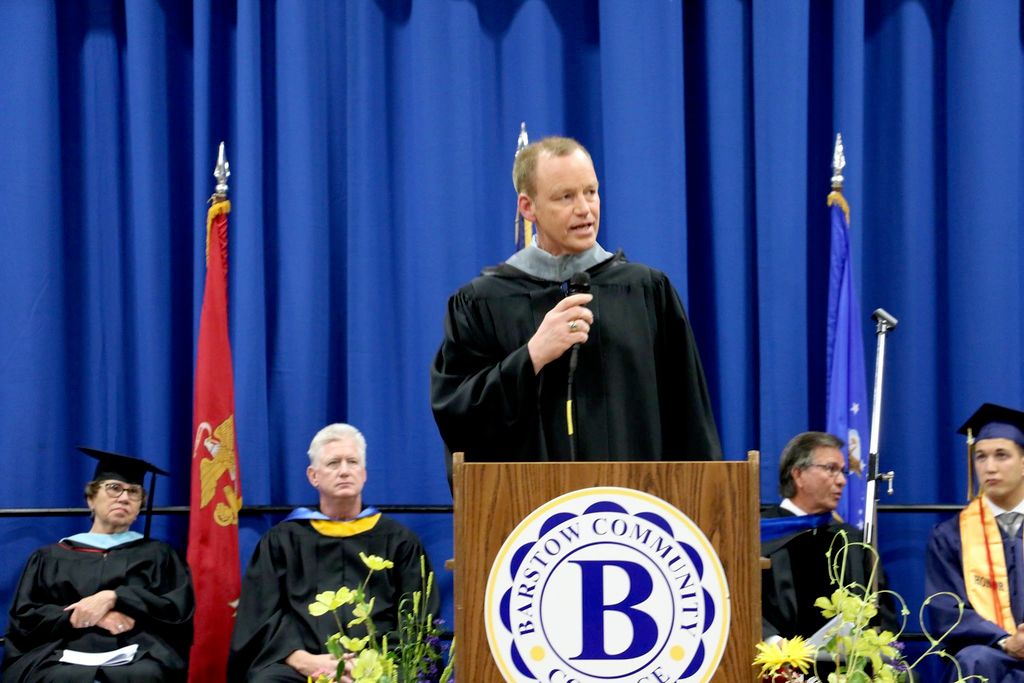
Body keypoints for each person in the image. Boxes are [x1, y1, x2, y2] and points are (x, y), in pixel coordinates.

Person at [430, 136, 721, 465]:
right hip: (528, 510)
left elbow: (691, 422)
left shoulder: (647, 292)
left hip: (634, 509)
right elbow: (457, 419)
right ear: (528, 207)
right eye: (565, 196)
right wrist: (532, 356)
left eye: (591, 192)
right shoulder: (482, 302)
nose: (585, 208)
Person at [228, 424, 439, 682]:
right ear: (313, 475)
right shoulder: (282, 541)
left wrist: (370, 666)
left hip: (381, 664)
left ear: (364, 473)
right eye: (333, 463)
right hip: (299, 666)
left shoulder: (398, 542)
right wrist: (303, 661)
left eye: (352, 462)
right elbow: (260, 616)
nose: (344, 471)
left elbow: (417, 619)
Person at [2, 447, 195, 682]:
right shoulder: (49, 557)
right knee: (58, 677)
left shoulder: (159, 555)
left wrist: (115, 597)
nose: (124, 497)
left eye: (133, 492)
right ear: (91, 498)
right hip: (57, 652)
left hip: (137, 651)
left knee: (146, 674)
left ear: (139, 507)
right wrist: (81, 615)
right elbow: (24, 619)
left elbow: (178, 612)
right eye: (114, 488)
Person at [761, 432, 895, 642]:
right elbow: (740, 604)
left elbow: (881, 611)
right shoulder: (760, 534)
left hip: (846, 668)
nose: (841, 481)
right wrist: (772, 643)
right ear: (798, 474)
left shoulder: (851, 540)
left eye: (842, 472)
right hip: (772, 665)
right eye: (831, 469)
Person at [926, 403, 1024, 681]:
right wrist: (1006, 640)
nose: (989, 467)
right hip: (989, 654)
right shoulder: (951, 535)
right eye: (980, 456)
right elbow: (946, 610)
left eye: (1001, 455)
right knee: (972, 659)